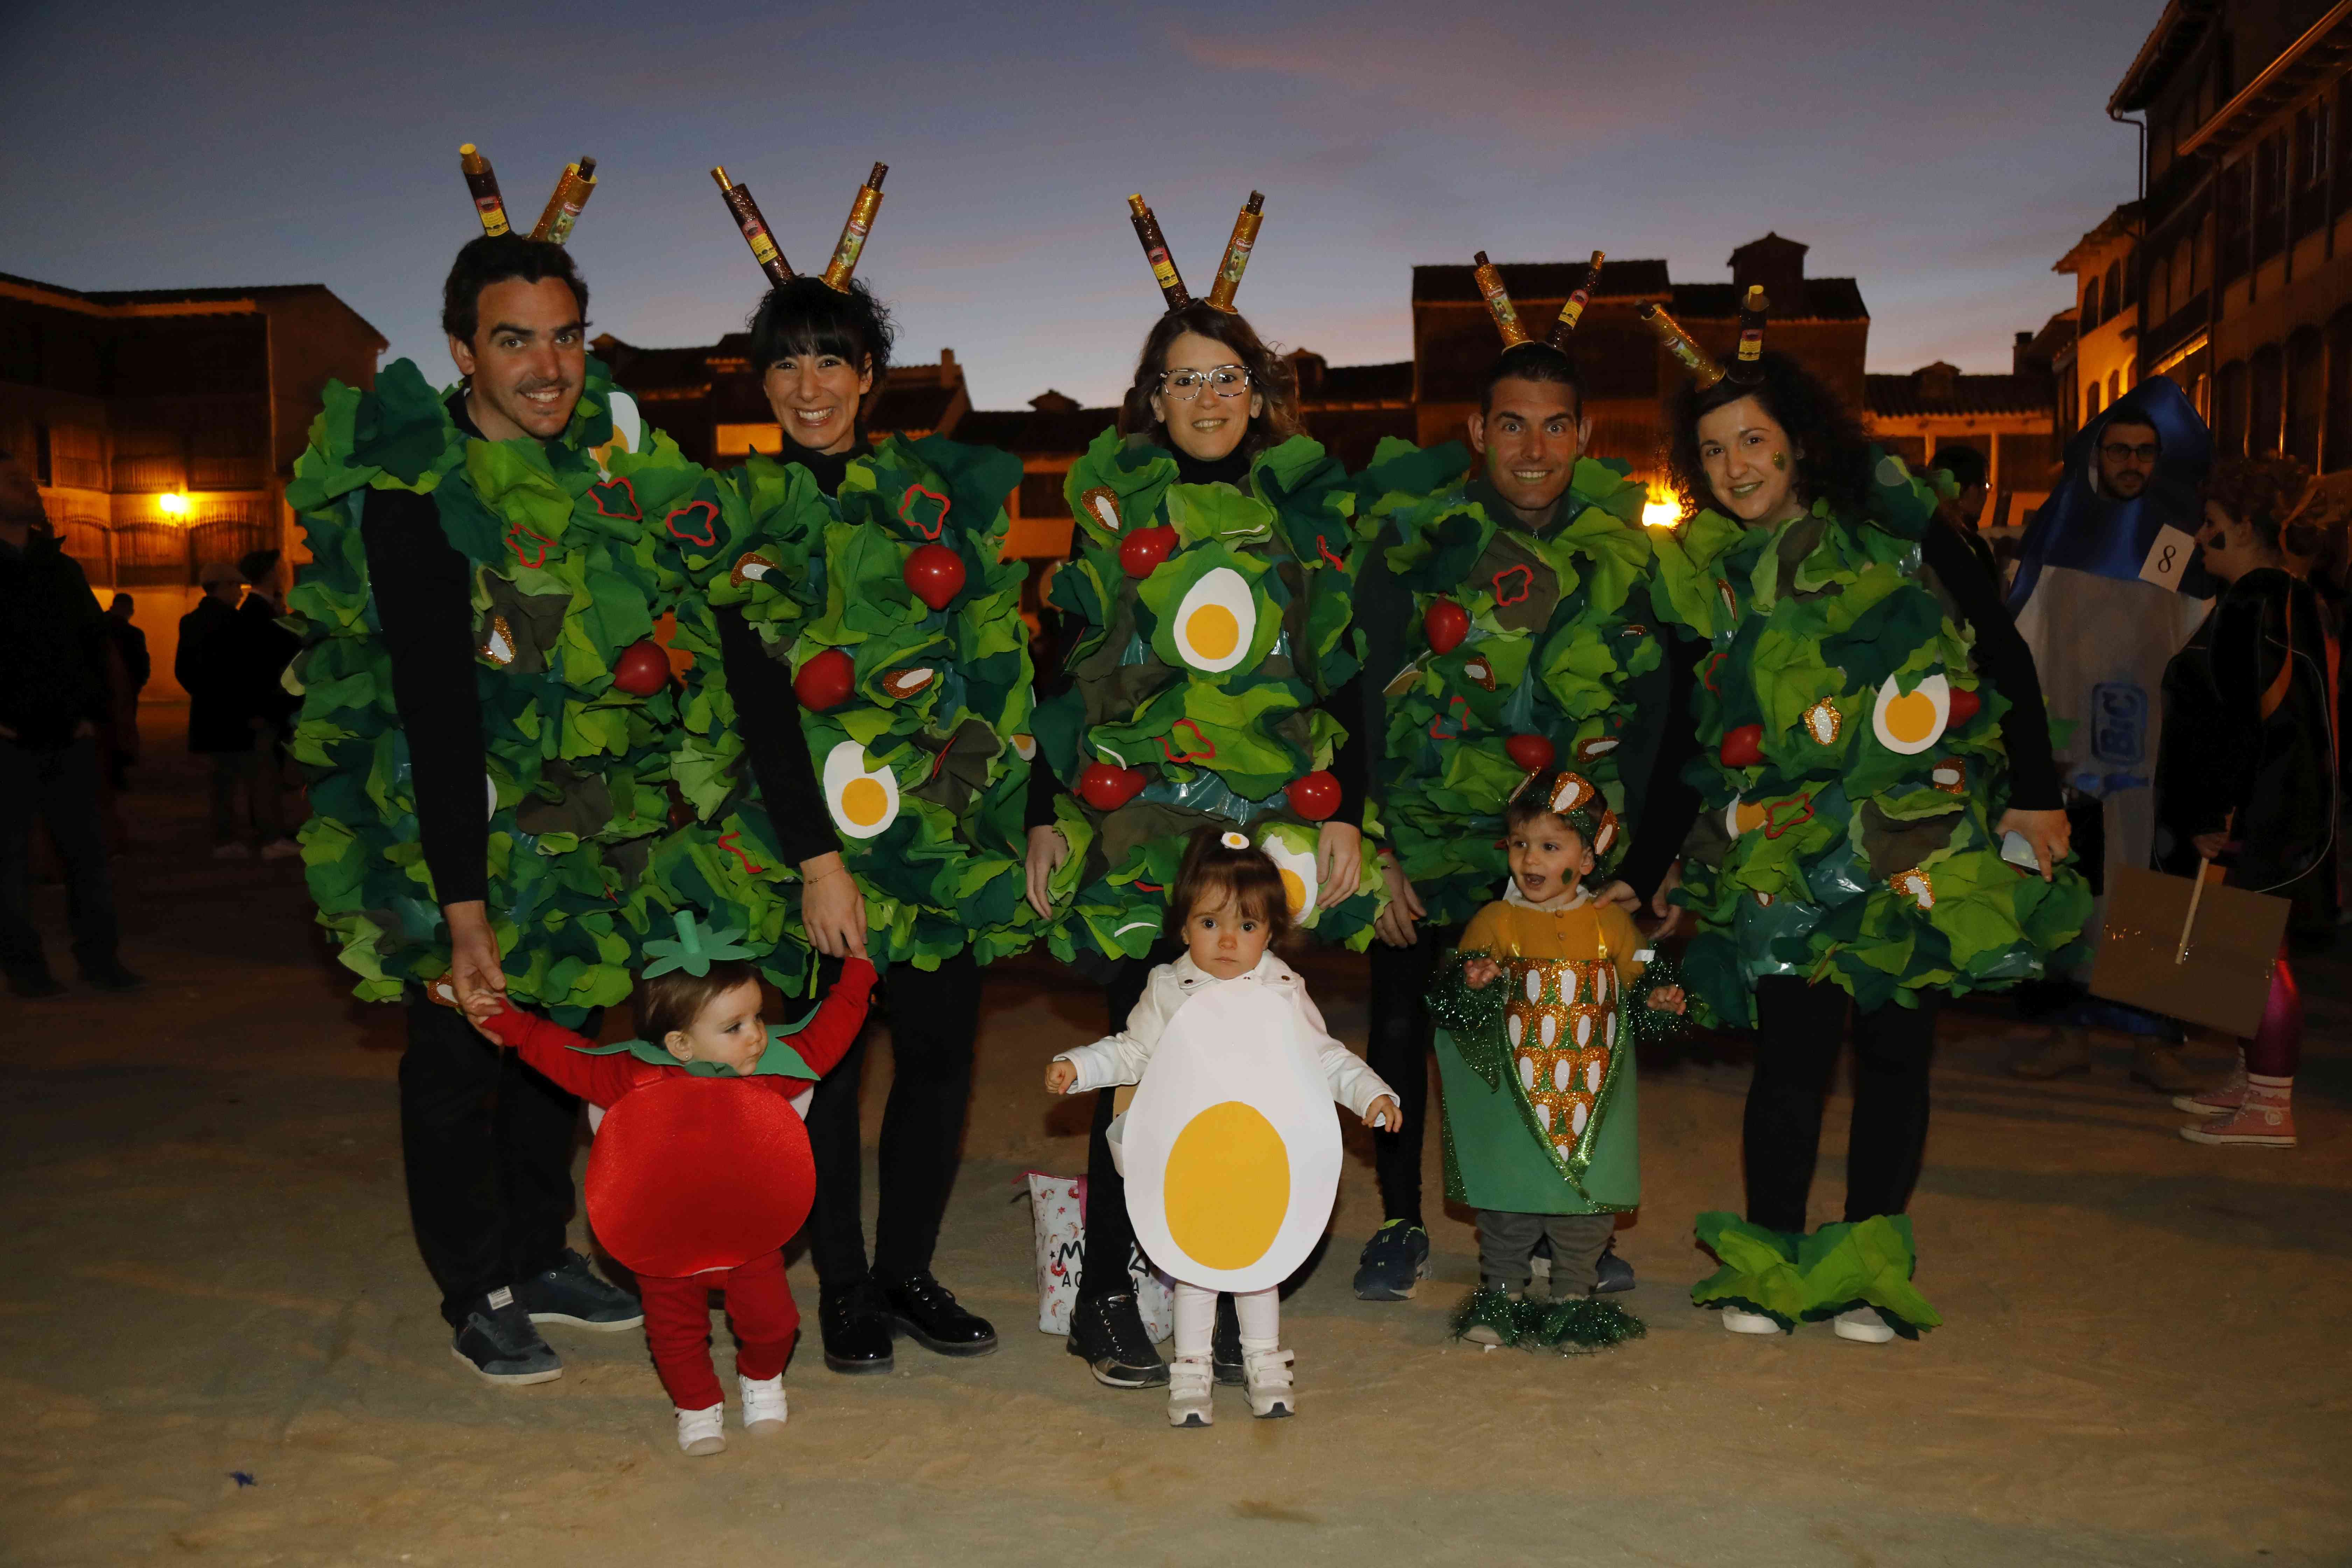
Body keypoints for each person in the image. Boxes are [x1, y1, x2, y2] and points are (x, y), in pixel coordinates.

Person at [1637, 322, 2087, 1344]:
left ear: (1797, 441)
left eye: (1750, 441)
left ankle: (1870, 1261)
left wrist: (2029, 791)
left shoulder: (1892, 525)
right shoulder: (1707, 574)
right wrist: (1654, 860)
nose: (1731, 467)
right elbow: (1681, 734)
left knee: (1893, 1052)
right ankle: (1767, 1260)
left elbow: (1999, 645)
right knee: (1789, 1055)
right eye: (1709, 450)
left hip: (1907, 832)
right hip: (1785, 844)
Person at [286, 222, 656, 1383]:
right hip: (437, 815)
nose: (549, 368)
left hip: (562, 816)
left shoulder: (591, 474)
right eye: (515, 343)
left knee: (554, 1040)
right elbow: (438, 705)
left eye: (566, 338)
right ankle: (478, 1285)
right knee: (456, 1063)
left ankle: (543, 1251)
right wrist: (462, 904)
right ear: (462, 353)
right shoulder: (415, 496)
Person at [1024, 287, 1377, 1391]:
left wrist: (1347, 810)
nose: (1209, 396)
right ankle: (1103, 1299)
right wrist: (1044, 807)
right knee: (1147, 1050)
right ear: (1152, 397)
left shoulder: (1305, 507)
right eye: (1186, 377)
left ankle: (1223, 1278)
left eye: (1228, 376)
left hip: (1263, 822)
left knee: (1256, 1056)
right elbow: (1062, 668)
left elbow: (1348, 665)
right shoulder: (1113, 507)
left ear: (1258, 393)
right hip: (1139, 821)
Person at [701, 268, 1024, 1376]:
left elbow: (992, 666)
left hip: (933, 838)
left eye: (830, 358)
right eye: (786, 361)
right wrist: (816, 858)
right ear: (763, 381)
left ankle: (906, 1269)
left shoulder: (932, 501)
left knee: (936, 1060)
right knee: (826, 1072)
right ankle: (841, 1281)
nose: (808, 383)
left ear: (870, 377)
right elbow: (758, 703)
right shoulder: (744, 513)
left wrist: (1006, 818)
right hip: (811, 844)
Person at [1350, 326, 1654, 1303]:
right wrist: (1374, 842)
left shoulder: (1622, 550)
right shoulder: (1417, 536)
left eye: (1556, 427)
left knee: (1558, 1033)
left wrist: (1631, 852)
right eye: (1512, 425)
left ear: (1585, 434)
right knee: (1403, 1024)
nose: (1534, 449)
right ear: (1477, 432)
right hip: (1425, 831)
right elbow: (1360, 691)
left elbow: (1654, 708)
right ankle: (1400, 1219)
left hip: (1554, 842)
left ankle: (1560, 1221)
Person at [1044, 830, 1398, 1426]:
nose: (1228, 940)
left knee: (1261, 1262)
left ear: (1273, 932)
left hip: (1260, 1154)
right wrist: (1080, 1066)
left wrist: (1371, 1094)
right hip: (1195, 1152)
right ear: (1184, 928)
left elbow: (1326, 1057)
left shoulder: (1284, 990)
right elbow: (1132, 1053)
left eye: (1248, 925)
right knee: (1194, 1265)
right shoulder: (1168, 990)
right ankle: (1191, 1369)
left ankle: (1265, 1362)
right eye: (1210, 924)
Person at [482, 930, 878, 1453]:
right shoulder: (633, 1078)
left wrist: (858, 972)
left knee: (775, 1321)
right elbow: (561, 1052)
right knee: (674, 1332)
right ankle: (695, 1404)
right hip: (662, 1236)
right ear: (680, 1044)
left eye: (759, 1017)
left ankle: (761, 1379)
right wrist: (502, 1019)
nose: (758, 1036)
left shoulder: (770, 1073)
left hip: (749, 1231)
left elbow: (829, 1034)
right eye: (735, 1027)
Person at [2004, 382, 2214, 1093]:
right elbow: (2023, 627)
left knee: (2149, 889)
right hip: (2065, 748)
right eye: (2119, 449)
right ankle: (2067, 1034)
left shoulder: (2179, 535)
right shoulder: (2057, 524)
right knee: (2067, 891)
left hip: (2148, 751)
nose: (2132, 462)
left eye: (2145, 451)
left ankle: (2154, 1042)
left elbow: (2193, 639)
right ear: (2097, 453)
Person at [1430, 770, 1681, 1350]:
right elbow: (1456, 999)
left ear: (1588, 861)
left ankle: (1574, 1294)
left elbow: (1645, 974)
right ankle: (1503, 1291)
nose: (1529, 859)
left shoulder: (1612, 925)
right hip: (1514, 1098)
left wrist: (1660, 998)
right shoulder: (1496, 921)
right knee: (1509, 1193)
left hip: (1592, 1096)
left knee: (1584, 1201)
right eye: (1520, 845)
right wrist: (1474, 984)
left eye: (1549, 846)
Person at [2161, 457, 2338, 1149]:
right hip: (2285, 798)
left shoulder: (2257, 600)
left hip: (2269, 804)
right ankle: (2252, 1073)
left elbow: (2239, 721)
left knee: (2261, 952)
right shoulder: (2287, 595)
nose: (2200, 540)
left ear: (2244, 526)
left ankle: (2270, 1101)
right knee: (2249, 944)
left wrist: (2216, 810)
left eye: (2211, 526)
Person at [0, 450, 140, 996]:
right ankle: (26, 969)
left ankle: (101, 960)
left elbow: (92, 646)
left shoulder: (61, 568)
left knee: (89, 857)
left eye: (28, 480)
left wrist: (93, 716)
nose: (29, 488)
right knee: (9, 867)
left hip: (70, 738)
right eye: (14, 481)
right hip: (9, 745)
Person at [178, 561, 283, 859]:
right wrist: (251, 708)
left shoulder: (190, 622)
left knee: (221, 783)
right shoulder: (234, 624)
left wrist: (206, 697)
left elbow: (183, 671)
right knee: (260, 778)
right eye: (236, 587)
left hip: (209, 717)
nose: (240, 593)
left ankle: (224, 841)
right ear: (222, 587)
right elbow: (245, 674)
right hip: (240, 718)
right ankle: (268, 840)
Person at [236, 548, 302, 860]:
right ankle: (270, 838)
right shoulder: (255, 613)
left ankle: (272, 832)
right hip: (264, 709)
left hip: (267, 709)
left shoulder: (261, 610)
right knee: (265, 775)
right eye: (279, 568)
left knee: (270, 772)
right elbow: (258, 667)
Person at [1928, 442, 2000, 590]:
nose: (1985, 495)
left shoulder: (1915, 538)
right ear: (1966, 489)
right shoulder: (1970, 547)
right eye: (1985, 485)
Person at [103, 593, 149, 792]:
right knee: (123, 731)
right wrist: (136, 685)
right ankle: (117, 774)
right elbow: (142, 665)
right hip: (126, 691)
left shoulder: (98, 628)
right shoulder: (134, 634)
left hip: (102, 690)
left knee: (104, 731)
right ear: (130, 611)